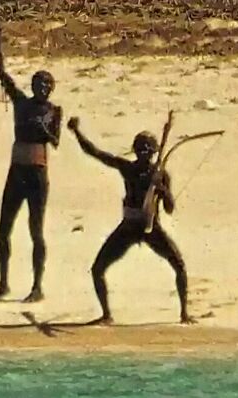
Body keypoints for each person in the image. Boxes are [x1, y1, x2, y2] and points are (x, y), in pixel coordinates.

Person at [67, 116, 195, 325]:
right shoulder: (128, 169)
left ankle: (184, 314)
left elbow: (169, 209)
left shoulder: (160, 175)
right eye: (140, 149)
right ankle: (106, 315)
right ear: (135, 151)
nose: (144, 154)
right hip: (129, 227)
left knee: (179, 265)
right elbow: (96, 153)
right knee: (98, 268)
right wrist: (77, 133)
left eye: (148, 150)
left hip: (151, 226)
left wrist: (162, 190)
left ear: (154, 153)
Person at [0, 65, 61, 303]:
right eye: (39, 84)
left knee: (35, 230)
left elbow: (55, 141)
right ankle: (3, 284)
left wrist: (44, 131)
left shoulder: (53, 111)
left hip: (38, 173)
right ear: (32, 86)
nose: (43, 88)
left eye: (47, 85)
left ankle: (37, 287)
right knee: (3, 229)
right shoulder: (21, 103)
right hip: (17, 171)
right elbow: (2, 73)